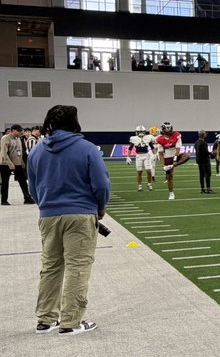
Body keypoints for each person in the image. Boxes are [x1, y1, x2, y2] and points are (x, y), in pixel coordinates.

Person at [27, 105, 109, 335]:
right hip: (80, 214)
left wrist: (46, 204)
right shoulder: (87, 148)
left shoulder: (37, 151)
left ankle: (45, 319)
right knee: (77, 266)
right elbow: (101, 184)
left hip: (48, 214)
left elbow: (33, 187)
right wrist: (100, 207)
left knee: (50, 266)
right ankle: (71, 321)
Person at [1, 124, 34, 205]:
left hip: (17, 163)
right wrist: (10, 163)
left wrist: (22, 162)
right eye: (18, 131)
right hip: (5, 164)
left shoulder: (19, 138)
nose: (20, 132)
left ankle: (27, 198)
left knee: (23, 181)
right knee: (5, 182)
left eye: (20, 131)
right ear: (13, 130)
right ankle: (4, 200)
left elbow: (20, 151)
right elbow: (3, 153)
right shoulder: (5, 138)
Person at [155, 122, 188, 200]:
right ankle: (171, 193)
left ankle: (172, 166)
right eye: (166, 130)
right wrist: (163, 166)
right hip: (167, 157)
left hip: (175, 156)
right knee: (170, 176)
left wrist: (175, 160)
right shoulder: (160, 139)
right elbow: (161, 154)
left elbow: (178, 149)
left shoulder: (176, 135)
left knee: (187, 156)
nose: (168, 132)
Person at [127, 124, 156, 191]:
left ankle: (149, 184)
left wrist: (154, 154)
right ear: (136, 132)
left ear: (144, 132)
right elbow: (130, 148)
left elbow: (152, 147)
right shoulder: (133, 138)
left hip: (146, 155)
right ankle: (140, 186)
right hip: (138, 156)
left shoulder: (148, 137)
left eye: (142, 132)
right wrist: (128, 156)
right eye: (139, 132)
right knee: (139, 172)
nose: (140, 133)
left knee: (149, 171)